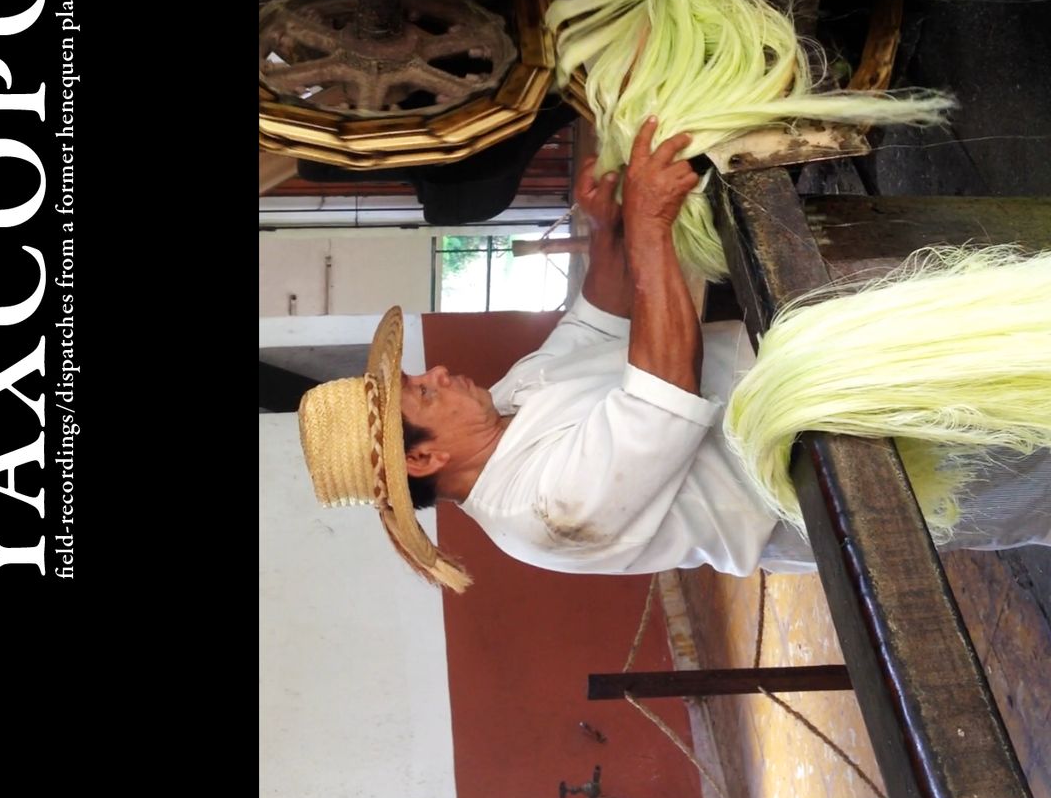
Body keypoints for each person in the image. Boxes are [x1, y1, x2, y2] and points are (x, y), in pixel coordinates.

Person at [295, 117, 1050, 591]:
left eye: (414, 375)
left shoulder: (511, 400)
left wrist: (606, 229)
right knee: (1025, 452)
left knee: (1013, 372)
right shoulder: (541, 513)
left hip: (848, 384)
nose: (436, 374)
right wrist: (651, 227)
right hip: (849, 469)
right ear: (423, 460)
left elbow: (599, 320)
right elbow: (662, 393)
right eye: (420, 395)